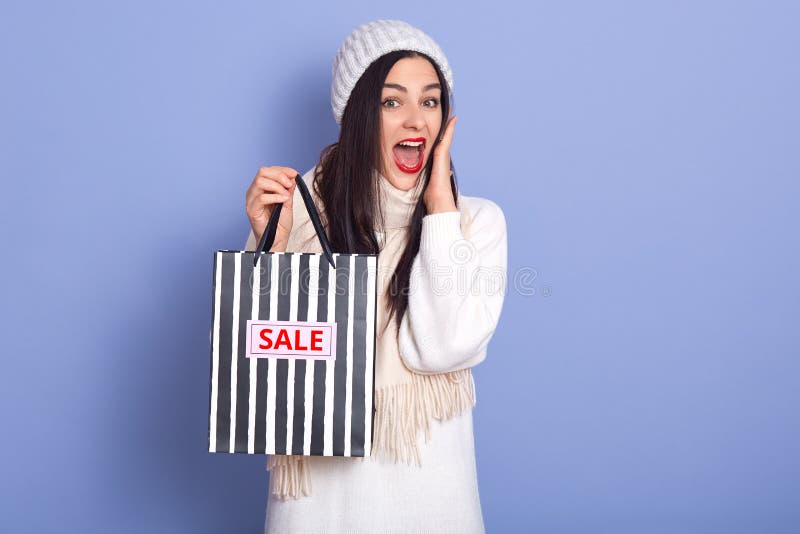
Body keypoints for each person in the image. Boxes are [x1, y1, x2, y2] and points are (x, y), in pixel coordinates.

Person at [243, 19, 507, 534]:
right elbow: (257, 362)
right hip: (316, 507)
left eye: (430, 101)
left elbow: (441, 348)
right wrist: (268, 241)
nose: (415, 120)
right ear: (359, 115)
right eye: (392, 102)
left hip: (433, 506)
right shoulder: (298, 210)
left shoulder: (474, 223)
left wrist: (438, 213)